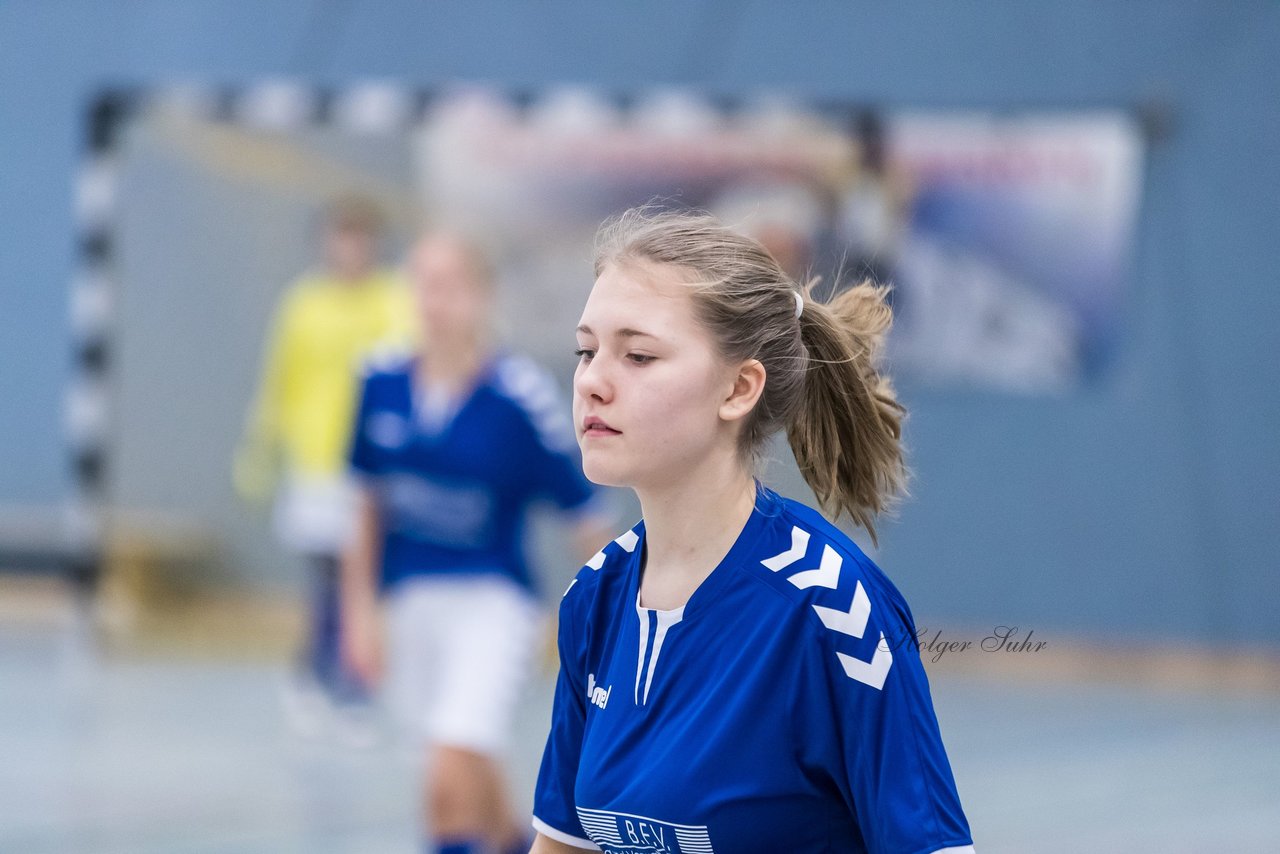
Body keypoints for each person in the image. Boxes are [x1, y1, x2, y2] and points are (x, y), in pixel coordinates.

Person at [531, 208, 974, 853]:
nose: (592, 381)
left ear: (739, 388)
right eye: (586, 350)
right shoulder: (595, 599)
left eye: (639, 355)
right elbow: (564, 844)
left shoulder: (833, 612)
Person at [340, 232, 612, 854]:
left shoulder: (519, 398)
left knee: (448, 773)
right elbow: (364, 507)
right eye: (422, 285)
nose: (433, 302)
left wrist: (619, 621)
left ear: (482, 297)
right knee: (469, 766)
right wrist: (357, 616)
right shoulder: (379, 381)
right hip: (406, 605)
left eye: (449, 286)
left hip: (491, 602)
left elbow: (585, 517)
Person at [234, 194, 412, 737]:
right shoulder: (303, 304)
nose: (351, 249)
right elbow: (279, 379)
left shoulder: (395, 300)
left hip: (375, 465)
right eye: (341, 237)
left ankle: (340, 679)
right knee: (331, 579)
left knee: (366, 579)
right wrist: (260, 450)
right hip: (315, 463)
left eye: (361, 238)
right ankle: (327, 680)